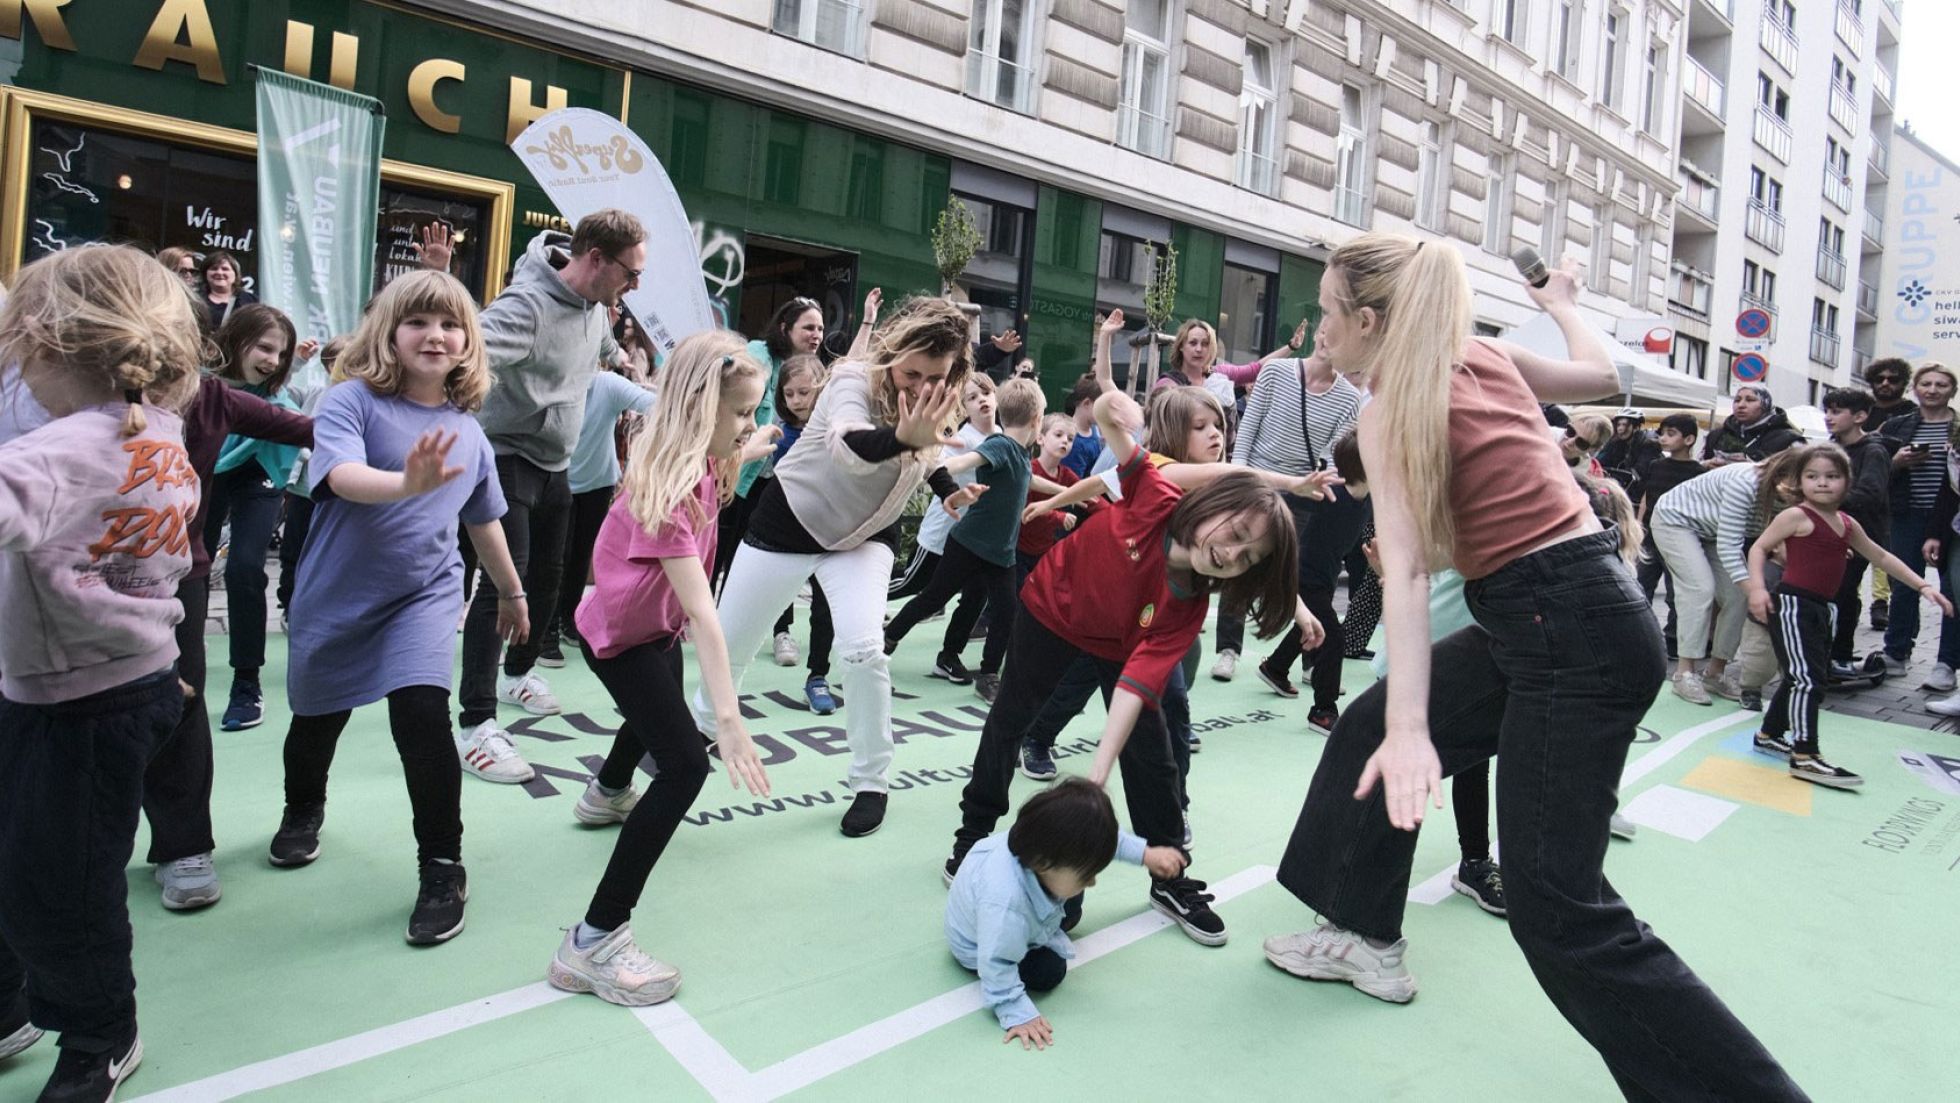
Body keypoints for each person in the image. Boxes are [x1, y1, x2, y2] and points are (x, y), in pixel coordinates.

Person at [1263, 233, 1802, 1099]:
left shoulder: (1393, 406)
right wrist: (1562, 304)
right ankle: (1364, 933)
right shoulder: (1479, 352)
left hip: (1564, 628)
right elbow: (1597, 374)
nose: (1319, 327)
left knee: (1560, 912)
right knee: (1365, 728)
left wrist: (1413, 732)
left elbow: (1400, 572)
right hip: (1563, 615)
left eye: (1327, 312)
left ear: (1367, 321)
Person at [945, 388, 1312, 949]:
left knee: (1154, 753)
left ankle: (1170, 876)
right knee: (1011, 717)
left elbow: (1135, 688)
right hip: (1054, 607)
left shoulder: (1186, 609)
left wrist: (1097, 774)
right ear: (1213, 505)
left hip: (1123, 639)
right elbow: (1120, 437)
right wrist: (1116, 409)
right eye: (1236, 535)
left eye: (1249, 558)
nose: (1233, 555)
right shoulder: (1156, 491)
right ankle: (973, 834)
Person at [267, 270, 529, 948]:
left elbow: (484, 518)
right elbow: (340, 475)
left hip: (424, 592)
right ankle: (303, 809)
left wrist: (511, 589)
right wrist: (406, 482)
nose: (434, 335)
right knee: (316, 721)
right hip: (338, 593)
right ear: (389, 331)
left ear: (468, 342)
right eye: (418, 321)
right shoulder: (348, 400)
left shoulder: (467, 431)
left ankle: (442, 865)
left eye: (449, 324)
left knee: (420, 713)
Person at [0, 245, 204, 1102]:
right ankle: (17, 1005)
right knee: (36, 863)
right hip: (125, 681)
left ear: (42, 346)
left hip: (77, 698)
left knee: (67, 885)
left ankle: (100, 1034)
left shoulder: (55, 453)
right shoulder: (153, 429)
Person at [546, 332, 775, 1007]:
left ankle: (606, 790)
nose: (749, 426)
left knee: (656, 715)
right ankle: (593, 938)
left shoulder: (706, 459)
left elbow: (739, 445)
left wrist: (749, 444)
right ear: (698, 407)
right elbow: (707, 615)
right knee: (686, 763)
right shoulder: (670, 487)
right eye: (740, 413)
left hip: (651, 628)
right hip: (622, 639)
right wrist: (727, 720)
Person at [697, 296, 981, 838]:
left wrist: (947, 490)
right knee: (727, 646)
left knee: (864, 649)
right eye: (912, 372)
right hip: (791, 522)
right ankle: (699, 734)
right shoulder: (852, 379)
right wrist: (902, 436)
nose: (921, 386)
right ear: (891, 353)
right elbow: (851, 446)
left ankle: (871, 780)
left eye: (936, 376)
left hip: (866, 536)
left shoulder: (943, 395)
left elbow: (928, 454)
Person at [454, 209, 643, 784]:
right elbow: (466, 358)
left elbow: (603, 346)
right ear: (596, 260)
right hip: (506, 455)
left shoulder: (596, 308)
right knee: (500, 585)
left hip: (556, 462)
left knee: (548, 579)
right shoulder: (526, 306)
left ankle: (517, 672)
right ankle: (476, 723)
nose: (635, 285)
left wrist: (620, 358)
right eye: (631, 273)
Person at [1747, 444, 1950, 787]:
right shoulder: (1796, 515)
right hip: (1793, 604)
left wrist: (1923, 586)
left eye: (1832, 476)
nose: (1822, 483)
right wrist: (1757, 589)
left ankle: (1769, 734)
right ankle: (1805, 754)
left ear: (1847, 482)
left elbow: (1882, 557)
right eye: (1812, 477)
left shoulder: (1845, 522)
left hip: (1822, 608)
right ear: (1799, 482)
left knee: (1806, 676)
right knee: (1806, 679)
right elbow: (1759, 547)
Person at [945, 778, 1185, 1050]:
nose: (1093, 882)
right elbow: (995, 962)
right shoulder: (1007, 906)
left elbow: (1102, 839)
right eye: (1087, 876)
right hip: (978, 946)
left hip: (1009, 909)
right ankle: (1036, 948)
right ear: (1045, 865)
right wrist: (1016, 1012)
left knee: (1073, 893)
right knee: (1049, 970)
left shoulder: (1045, 837)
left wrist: (1145, 854)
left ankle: (1051, 917)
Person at [883, 379, 1044, 703]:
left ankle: (984, 673)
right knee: (932, 597)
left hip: (1000, 555)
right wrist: (937, 467)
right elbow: (963, 462)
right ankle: (887, 640)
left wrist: (1066, 495)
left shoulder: (1021, 453)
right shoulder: (999, 444)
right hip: (968, 544)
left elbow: (1028, 478)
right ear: (1037, 420)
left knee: (1001, 612)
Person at [1219, 331, 1361, 683]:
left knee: (1299, 575)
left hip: (1302, 494)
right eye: (1326, 329)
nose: (1330, 339)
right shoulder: (1275, 372)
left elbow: (1331, 457)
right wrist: (1238, 479)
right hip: (1256, 482)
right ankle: (1228, 649)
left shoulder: (1349, 398)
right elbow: (1248, 429)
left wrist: (1317, 488)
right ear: (1317, 334)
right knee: (1237, 563)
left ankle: (1309, 655)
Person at [203, 304, 314, 731]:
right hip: (205, 474)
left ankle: (246, 684)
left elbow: (310, 430)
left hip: (261, 475)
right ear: (235, 340)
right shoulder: (198, 385)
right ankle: (178, 673)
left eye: (281, 354)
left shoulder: (279, 403)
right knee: (189, 570)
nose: (271, 360)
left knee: (246, 568)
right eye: (264, 347)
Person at [535, 336, 657, 669]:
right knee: (553, 559)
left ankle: (569, 620)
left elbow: (652, 401)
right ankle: (543, 633)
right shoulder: (546, 382)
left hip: (598, 482)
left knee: (580, 557)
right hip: (555, 479)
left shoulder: (606, 384)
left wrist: (692, 388)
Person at [1652, 452, 1807, 704]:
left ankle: (1715, 672)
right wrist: (1755, 590)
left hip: (1714, 530)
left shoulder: (1796, 496)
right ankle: (1684, 673)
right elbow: (1729, 547)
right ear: (1780, 475)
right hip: (1676, 520)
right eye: (1797, 486)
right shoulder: (1745, 483)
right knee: (1700, 588)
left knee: (1737, 596)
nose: (1800, 495)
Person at [1258, 427, 1370, 733]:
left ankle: (1275, 668)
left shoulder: (1371, 496)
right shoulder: (1330, 491)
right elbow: (1284, 497)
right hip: (1302, 574)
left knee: (1308, 626)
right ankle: (1323, 711)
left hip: (1326, 577)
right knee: (1332, 637)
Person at [720, 296, 826, 592]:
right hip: (740, 469)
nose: (816, 334)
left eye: (820, 328)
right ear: (785, 328)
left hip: (774, 477)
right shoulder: (759, 354)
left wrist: (867, 321)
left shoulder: (813, 370)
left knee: (750, 553)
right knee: (720, 544)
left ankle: (736, 615)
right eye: (808, 327)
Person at [764, 355, 843, 713]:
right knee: (769, 597)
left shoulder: (837, 429)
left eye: (804, 392)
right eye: (789, 393)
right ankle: (726, 680)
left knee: (824, 609)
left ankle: (817, 676)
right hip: (787, 535)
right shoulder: (779, 433)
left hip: (829, 534)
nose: (797, 399)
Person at [1876, 362, 1958, 681]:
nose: (1933, 390)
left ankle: (1946, 663)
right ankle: (1896, 652)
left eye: (1941, 385)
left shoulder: (1959, 428)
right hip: (1906, 512)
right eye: (1927, 384)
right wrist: (1897, 462)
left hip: (1952, 520)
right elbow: (1877, 468)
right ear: (1916, 389)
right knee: (1905, 584)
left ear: (1952, 391)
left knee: (1952, 588)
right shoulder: (1897, 426)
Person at [1820, 389, 1892, 675]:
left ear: (1860, 416)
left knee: (1844, 594)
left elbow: (1870, 494)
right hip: (1828, 532)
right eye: (1827, 411)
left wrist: (1825, 495)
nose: (1828, 417)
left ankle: (1841, 655)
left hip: (1859, 535)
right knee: (1828, 593)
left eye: (1836, 412)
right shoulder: (1830, 447)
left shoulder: (1874, 450)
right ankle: (1825, 653)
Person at [1634, 413, 1705, 659]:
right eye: (1662, 433)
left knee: (1677, 594)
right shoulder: (1656, 465)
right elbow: (1646, 497)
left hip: (1678, 538)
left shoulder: (1698, 472)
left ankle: (1673, 640)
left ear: (1689, 439)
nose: (1663, 438)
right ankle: (1640, 636)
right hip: (1650, 536)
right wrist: (1639, 525)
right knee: (1640, 587)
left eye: (1670, 433)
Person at [1863, 358, 1914, 629]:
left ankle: (1881, 602)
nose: (1885, 383)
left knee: (1886, 549)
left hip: (1897, 493)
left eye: (1892, 379)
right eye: (1879, 379)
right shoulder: (1862, 410)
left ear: (1903, 384)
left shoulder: (1911, 414)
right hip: (1863, 490)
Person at [1595, 407, 1658, 492]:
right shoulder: (1616, 443)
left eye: (1624, 425)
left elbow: (1639, 471)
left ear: (1635, 427)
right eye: (1618, 425)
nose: (1620, 428)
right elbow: (1601, 461)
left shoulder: (1647, 444)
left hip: (1640, 490)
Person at [197, 249, 258, 332]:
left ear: (235, 274)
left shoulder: (251, 301)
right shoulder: (195, 300)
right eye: (214, 268)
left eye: (225, 269)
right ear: (205, 274)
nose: (219, 272)